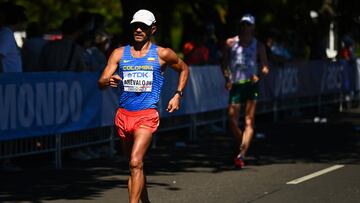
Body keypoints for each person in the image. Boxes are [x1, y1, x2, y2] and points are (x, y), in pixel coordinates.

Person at [98, 9, 189, 203]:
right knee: (134, 167)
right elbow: (101, 81)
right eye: (135, 26)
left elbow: (184, 68)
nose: (138, 30)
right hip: (123, 115)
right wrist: (109, 81)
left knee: (135, 161)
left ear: (152, 29)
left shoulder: (163, 53)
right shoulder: (119, 53)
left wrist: (177, 95)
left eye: (143, 27)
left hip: (146, 115)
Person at [221, 14, 269, 169]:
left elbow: (265, 67)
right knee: (232, 119)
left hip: (250, 84)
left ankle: (241, 155)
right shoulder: (230, 43)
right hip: (236, 84)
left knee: (249, 120)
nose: (245, 27)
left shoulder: (258, 45)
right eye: (243, 24)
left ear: (253, 27)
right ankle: (243, 143)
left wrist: (259, 75)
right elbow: (224, 63)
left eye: (248, 25)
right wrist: (227, 78)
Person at [0, 2, 27, 73]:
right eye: (23, 19)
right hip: (7, 82)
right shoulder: (7, 34)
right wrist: (4, 78)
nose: (25, 22)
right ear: (17, 20)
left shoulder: (7, 34)